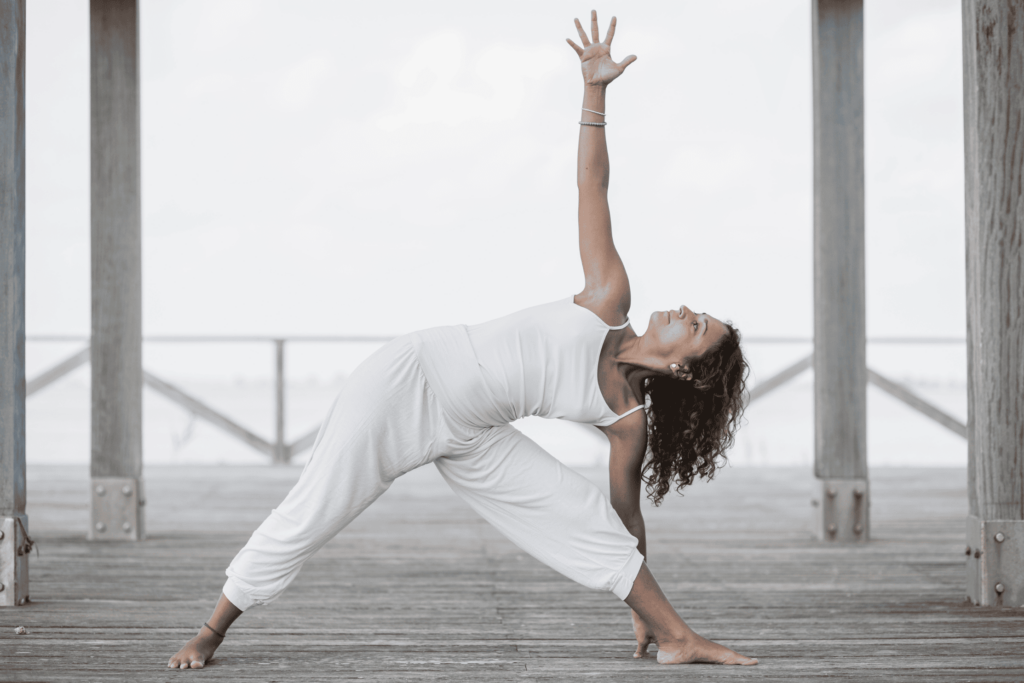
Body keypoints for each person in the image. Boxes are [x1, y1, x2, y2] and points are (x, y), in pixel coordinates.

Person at [168, 11, 756, 670]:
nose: (684, 310)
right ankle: (212, 630)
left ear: (683, 366)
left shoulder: (628, 424)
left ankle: (676, 634)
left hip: (473, 433)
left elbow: (625, 525)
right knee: (313, 511)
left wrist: (634, 604)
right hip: (409, 381)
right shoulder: (607, 299)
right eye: (697, 312)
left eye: (696, 326)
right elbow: (593, 186)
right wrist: (595, 91)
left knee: (582, 513)